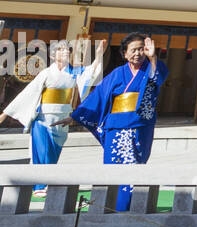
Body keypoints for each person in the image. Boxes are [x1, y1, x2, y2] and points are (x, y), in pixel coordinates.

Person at [60, 33, 167, 212]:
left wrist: (153, 57)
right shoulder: (117, 74)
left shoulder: (151, 68)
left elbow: (157, 79)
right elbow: (98, 96)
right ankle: (111, 207)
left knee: (134, 167)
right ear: (124, 54)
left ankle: (128, 207)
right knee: (113, 169)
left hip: (139, 126)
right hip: (115, 128)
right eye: (133, 50)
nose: (138, 53)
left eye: (142, 49)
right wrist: (75, 116)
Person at [0, 39, 105, 194]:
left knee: (53, 153)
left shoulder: (74, 72)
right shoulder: (46, 73)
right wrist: (5, 114)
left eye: (67, 50)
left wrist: (98, 55)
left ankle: (45, 182)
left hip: (62, 117)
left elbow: (91, 71)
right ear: (54, 55)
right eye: (61, 50)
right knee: (42, 152)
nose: (66, 52)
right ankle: (39, 186)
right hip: (43, 118)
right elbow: (28, 93)